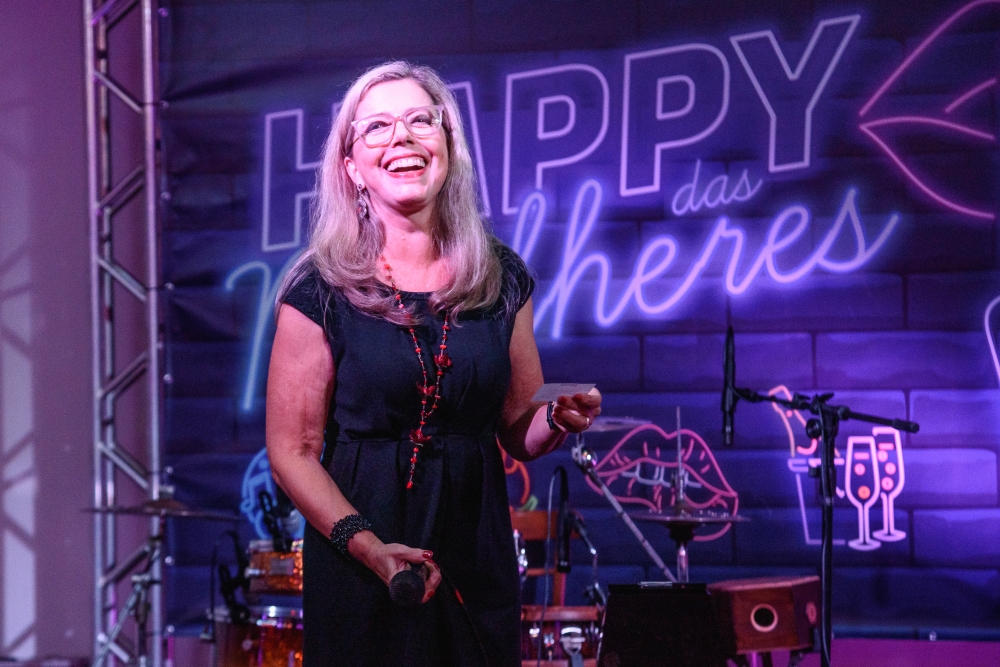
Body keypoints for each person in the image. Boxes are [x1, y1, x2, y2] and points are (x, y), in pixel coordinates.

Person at [265, 61, 602, 667]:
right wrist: (369, 548)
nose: (402, 137)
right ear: (351, 166)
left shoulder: (500, 276)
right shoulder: (319, 289)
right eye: (378, 127)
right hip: (363, 561)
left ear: (447, 144)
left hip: (475, 553)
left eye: (421, 120)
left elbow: (516, 429)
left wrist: (555, 417)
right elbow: (293, 451)